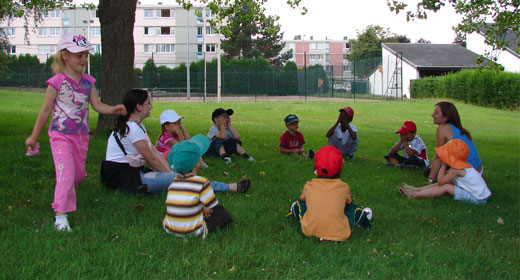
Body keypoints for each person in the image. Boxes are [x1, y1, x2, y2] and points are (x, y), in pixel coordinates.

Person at [24, 34, 126, 232]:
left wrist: (113, 109)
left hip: (81, 137)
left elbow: (97, 105)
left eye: (86, 55)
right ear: (65, 56)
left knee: (77, 176)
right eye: (79, 55)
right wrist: (34, 137)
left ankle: (69, 188)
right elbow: (45, 111)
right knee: (66, 176)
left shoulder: (88, 82)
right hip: (60, 136)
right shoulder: (56, 82)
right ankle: (61, 217)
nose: (84, 60)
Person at [100, 90, 249, 194]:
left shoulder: (137, 126)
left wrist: (170, 173)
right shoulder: (133, 129)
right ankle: (228, 187)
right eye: (148, 103)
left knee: (179, 178)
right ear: (139, 107)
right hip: (124, 178)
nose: (151, 107)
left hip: (132, 173)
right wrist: (172, 176)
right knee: (185, 181)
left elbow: (155, 153)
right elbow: (151, 159)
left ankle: (224, 187)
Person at [287, 146, 372, 242]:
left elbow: (302, 198)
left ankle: (294, 209)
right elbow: (349, 201)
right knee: (351, 208)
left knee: (301, 203)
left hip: (310, 230)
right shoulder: (344, 187)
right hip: (340, 234)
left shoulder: (309, 186)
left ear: (315, 168)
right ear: (340, 170)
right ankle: (363, 218)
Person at [163, 135, 233, 239]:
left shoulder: (173, 182)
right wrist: (205, 210)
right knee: (221, 212)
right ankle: (198, 227)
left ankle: (179, 225)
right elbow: (209, 209)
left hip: (169, 229)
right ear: (196, 162)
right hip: (194, 232)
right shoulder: (202, 183)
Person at [398, 139, 491, 204]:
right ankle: (417, 189)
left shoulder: (456, 169)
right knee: (446, 184)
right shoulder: (462, 166)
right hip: (480, 196)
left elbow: (441, 181)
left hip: (478, 199)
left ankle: (415, 195)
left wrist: (443, 165)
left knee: (446, 187)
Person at [427, 101, 482, 184]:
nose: (432, 115)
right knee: (432, 169)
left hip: (466, 174)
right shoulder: (459, 129)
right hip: (478, 171)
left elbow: (438, 157)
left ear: (445, 117)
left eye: (436, 113)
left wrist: (430, 179)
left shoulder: (442, 128)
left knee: (434, 176)